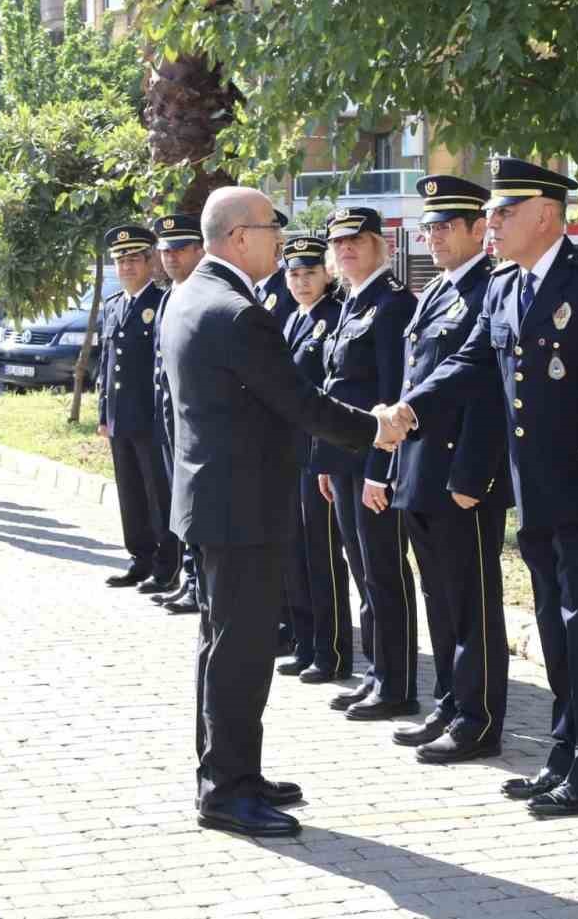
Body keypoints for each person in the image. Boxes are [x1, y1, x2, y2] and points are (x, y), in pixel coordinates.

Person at [158, 186, 407, 838]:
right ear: (241, 237)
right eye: (273, 226)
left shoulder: (189, 296)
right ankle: (226, 790)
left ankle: (230, 769)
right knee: (239, 652)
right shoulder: (238, 313)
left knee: (221, 646)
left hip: (214, 502)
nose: (281, 237)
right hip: (243, 508)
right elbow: (298, 401)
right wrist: (374, 429)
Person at [391, 157, 578, 816]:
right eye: (491, 213)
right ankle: (565, 750)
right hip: (537, 497)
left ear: (547, 215)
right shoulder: (504, 288)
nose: (491, 222)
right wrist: (411, 408)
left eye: (504, 211)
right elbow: (472, 364)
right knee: (558, 633)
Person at [388, 175, 511, 764]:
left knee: (472, 605)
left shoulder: (494, 288)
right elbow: (415, 381)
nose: (433, 237)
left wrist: (474, 478)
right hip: (419, 472)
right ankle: (448, 700)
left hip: (460, 478)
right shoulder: (436, 290)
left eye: (444, 226)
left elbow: (490, 394)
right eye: (427, 227)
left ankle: (478, 717)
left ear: (474, 228)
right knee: (439, 597)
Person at [315, 206, 420, 721]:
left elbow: (393, 394)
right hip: (345, 460)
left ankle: (397, 683)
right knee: (362, 569)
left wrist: (382, 470)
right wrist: (327, 463)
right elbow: (336, 388)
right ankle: (377, 671)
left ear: (381, 245)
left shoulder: (393, 304)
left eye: (357, 240)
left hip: (374, 462)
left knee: (384, 571)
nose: (346, 249)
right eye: (338, 243)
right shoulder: (350, 302)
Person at [277, 235, 353, 680]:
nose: (301, 281)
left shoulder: (333, 318)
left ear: (326, 274)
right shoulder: (294, 321)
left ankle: (333, 651)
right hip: (293, 454)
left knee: (324, 557)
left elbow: (329, 393)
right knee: (297, 554)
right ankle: (306, 643)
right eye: (294, 273)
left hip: (320, 453)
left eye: (309, 272)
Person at [96, 225, 177, 590]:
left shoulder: (160, 302)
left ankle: (166, 564)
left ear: (149, 261)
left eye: (132, 259)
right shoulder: (114, 305)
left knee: (157, 491)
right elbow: (105, 363)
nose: (125, 266)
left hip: (149, 416)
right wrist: (102, 414)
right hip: (119, 416)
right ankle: (139, 558)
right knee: (129, 492)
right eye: (120, 260)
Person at [147, 213, 205, 616]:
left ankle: (201, 584)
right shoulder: (169, 295)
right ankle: (190, 578)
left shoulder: (203, 293)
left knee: (199, 508)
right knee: (179, 505)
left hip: (198, 422)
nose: (171, 257)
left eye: (181, 249)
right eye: (165, 250)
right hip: (171, 420)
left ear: (201, 250)